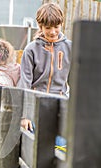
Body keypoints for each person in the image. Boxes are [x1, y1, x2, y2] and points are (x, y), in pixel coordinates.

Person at [17, 2, 72, 132]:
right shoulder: (31, 50)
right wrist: (24, 116)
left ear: (61, 24)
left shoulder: (70, 48)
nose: (53, 32)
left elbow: (75, 82)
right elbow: (25, 83)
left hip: (60, 107)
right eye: (48, 28)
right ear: (40, 26)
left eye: (56, 27)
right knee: (35, 149)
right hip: (35, 110)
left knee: (60, 149)